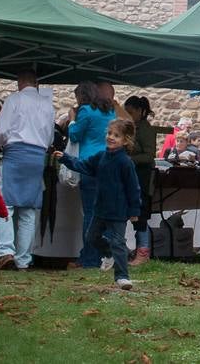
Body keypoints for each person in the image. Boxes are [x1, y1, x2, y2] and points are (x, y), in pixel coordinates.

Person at [55, 120, 141, 290]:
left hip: (118, 211)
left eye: (116, 135)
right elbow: (83, 165)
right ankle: (108, 254)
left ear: (125, 141)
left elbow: (133, 188)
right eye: (109, 133)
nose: (111, 137)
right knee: (91, 237)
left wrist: (134, 210)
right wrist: (65, 158)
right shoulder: (100, 157)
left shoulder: (125, 163)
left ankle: (122, 276)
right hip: (100, 209)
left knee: (118, 242)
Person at [0, 68, 53, 271]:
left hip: (16, 154)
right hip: (37, 157)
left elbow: (1, 130)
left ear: (20, 83)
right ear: (36, 84)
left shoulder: (14, 100)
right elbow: (50, 136)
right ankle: (24, 259)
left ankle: (6, 251)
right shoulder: (47, 104)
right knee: (28, 209)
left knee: (4, 204)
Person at [68, 81, 116, 268]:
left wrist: (72, 118)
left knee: (90, 213)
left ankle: (90, 258)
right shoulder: (110, 111)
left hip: (90, 165)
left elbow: (75, 135)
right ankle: (109, 254)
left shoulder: (85, 111)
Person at [124, 96, 169, 266]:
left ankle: (143, 252)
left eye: (131, 112)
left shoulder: (145, 129)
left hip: (142, 178)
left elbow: (149, 155)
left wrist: (130, 159)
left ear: (141, 112)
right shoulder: (130, 128)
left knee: (140, 214)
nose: (128, 115)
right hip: (131, 176)